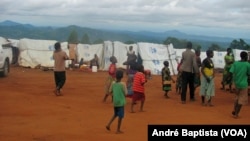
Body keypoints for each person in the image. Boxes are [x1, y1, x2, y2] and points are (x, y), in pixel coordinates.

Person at [229, 51, 250, 118]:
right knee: (241, 100)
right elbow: (249, 74)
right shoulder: (247, 64)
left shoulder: (235, 63)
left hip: (236, 83)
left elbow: (231, 72)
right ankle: (236, 114)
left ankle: (235, 110)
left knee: (237, 98)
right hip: (244, 84)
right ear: (246, 57)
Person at [105, 69, 127, 134]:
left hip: (115, 102)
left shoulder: (113, 83)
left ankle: (108, 124)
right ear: (122, 77)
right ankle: (118, 130)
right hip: (121, 102)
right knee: (120, 116)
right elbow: (126, 93)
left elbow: (110, 91)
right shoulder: (123, 84)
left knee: (115, 114)